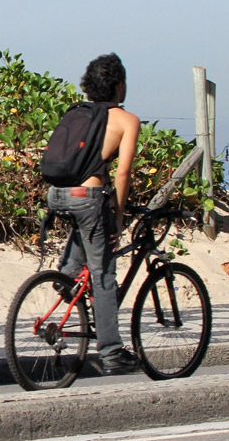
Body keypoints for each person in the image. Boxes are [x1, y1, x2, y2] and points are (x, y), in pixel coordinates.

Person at [46, 53, 141, 375]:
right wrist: (119, 214)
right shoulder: (126, 120)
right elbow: (123, 173)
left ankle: (67, 278)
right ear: (119, 85)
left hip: (57, 194)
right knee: (103, 275)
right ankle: (113, 353)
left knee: (84, 235)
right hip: (88, 196)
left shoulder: (76, 113)